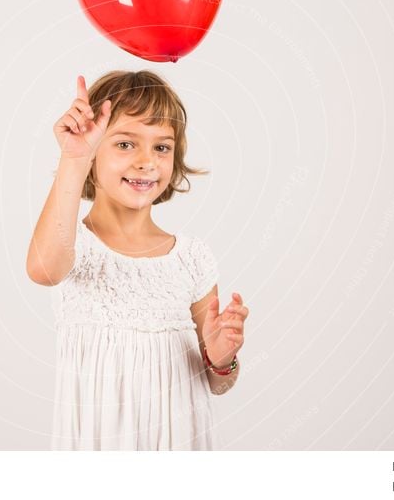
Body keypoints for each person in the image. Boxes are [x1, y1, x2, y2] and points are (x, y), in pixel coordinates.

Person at [26, 70, 249, 450]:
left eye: (161, 147)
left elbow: (218, 383)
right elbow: (44, 270)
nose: (146, 161)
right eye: (126, 144)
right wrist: (74, 158)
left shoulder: (192, 258)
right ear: (94, 148)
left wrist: (221, 357)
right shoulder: (73, 245)